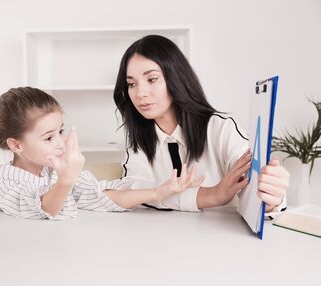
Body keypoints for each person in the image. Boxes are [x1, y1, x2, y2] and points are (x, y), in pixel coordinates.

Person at [113, 35, 289, 215]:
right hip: (161, 239)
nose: (140, 93)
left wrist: (270, 198)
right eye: (131, 84)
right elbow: (133, 193)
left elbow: (250, 182)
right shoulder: (138, 143)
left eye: (151, 79)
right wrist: (213, 195)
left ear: (175, 77)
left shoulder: (221, 129)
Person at [0, 87, 204, 220]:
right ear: (16, 146)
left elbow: (99, 196)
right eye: (49, 137)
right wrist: (66, 180)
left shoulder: (53, 173)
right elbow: (45, 209)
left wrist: (157, 192)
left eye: (60, 131)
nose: (60, 143)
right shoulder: (3, 181)